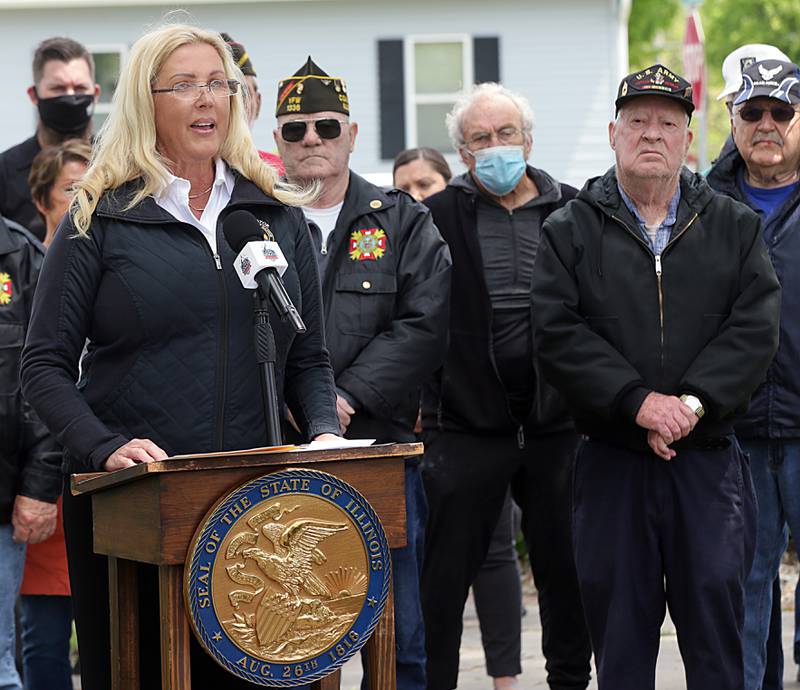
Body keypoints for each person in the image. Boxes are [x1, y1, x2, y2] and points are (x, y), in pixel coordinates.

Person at [19, 24, 341, 690]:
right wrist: (104, 446)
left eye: (218, 83)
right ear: (146, 100)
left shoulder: (274, 215)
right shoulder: (97, 217)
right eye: (185, 85)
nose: (208, 100)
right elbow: (43, 367)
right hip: (138, 506)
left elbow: (307, 358)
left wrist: (327, 434)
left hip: (258, 512)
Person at [531, 63, 781, 690]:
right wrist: (637, 402)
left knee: (719, 638)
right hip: (612, 463)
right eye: (637, 121)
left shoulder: (734, 226)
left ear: (687, 140)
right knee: (619, 643)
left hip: (707, 465)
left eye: (667, 124)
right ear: (613, 133)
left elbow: (754, 330)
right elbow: (556, 333)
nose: (651, 135)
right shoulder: (569, 229)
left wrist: (692, 404)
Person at [274, 57, 451, 690]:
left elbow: (425, 323)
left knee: (397, 634)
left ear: (351, 133)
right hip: (277, 450)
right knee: (285, 632)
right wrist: (301, 405)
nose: (311, 140)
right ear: (277, 144)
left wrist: (340, 399)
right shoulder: (249, 221)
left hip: (378, 448)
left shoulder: (402, 220)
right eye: (295, 130)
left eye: (325, 126)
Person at [419, 82, 591, 690]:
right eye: (480, 139)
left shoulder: (574, 210)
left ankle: (570, 681)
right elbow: (417, 314)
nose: (495, 148)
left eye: (505, 135)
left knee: (566, 573)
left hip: (557, 427)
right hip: (467, 426)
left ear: (528, 140)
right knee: (440, 584)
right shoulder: (435, 216)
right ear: (463, 154)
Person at [393, 144, 525, 690]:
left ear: (447, 187)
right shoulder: (399, 246)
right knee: (432, 567)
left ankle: (505, 677)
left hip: (478, 419)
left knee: (495, 555)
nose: (415, 198)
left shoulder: (464, 237)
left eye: (425, 186)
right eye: (403, 190)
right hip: (426, 423)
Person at [707, 59, 800, 690]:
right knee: (743, 584)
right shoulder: (699, 202)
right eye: (752, 112)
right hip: (733, 430)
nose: (767, 125)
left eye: (782, 112)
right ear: (733, 120)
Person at [15, 139, 91, 690]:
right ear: (42, 199)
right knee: (41, 639)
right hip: (41, 479)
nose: (83, 200)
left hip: (101, 467)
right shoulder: (20, 270)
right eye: (71, 190)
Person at [0, 36, 100, 242]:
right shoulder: (5, 171)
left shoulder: (120, 163)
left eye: (80, 88)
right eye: (58, 88)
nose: (70, 97)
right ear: (34, 95)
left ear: (95, 93)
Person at [220, 32, 284, 175]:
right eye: (223, 92)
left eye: (243, 93)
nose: (234, 103)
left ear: (258, 103)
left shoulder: (280, 174)